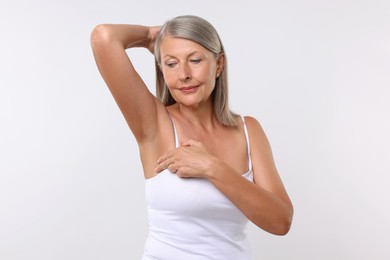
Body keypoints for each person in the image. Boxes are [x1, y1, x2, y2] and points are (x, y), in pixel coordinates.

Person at [91, 15, 293, 260]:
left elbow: (281, 221)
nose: (183, 74)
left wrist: (212, 167)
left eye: (195, 60)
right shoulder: (156, 124)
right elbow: (104, 37)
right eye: (171, 63)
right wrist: (152, 36)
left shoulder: (249, 130)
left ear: (219, 65)